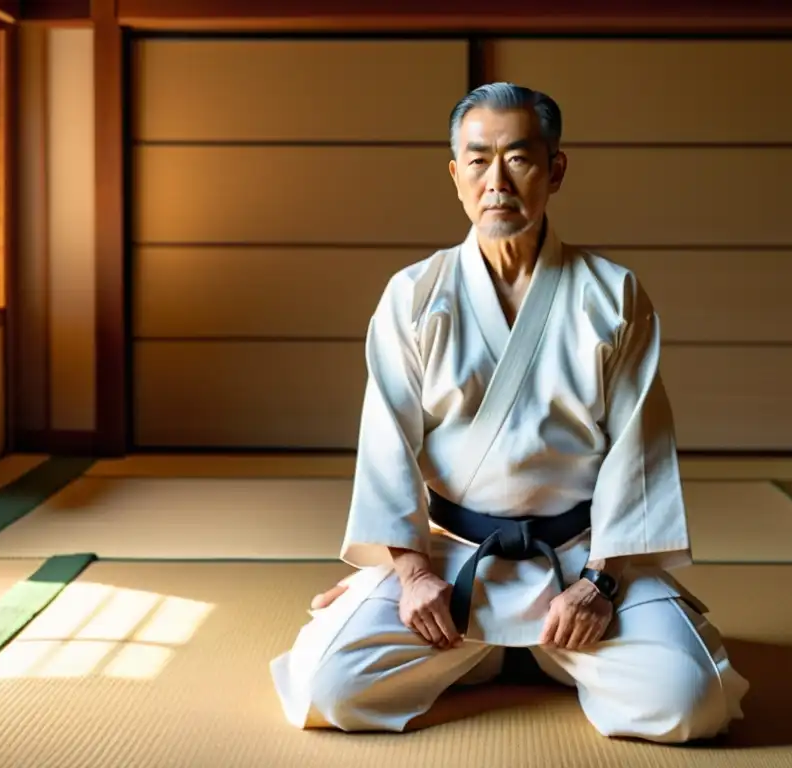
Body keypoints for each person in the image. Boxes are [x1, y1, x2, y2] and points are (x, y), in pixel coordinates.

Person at [270, 82, 749, 743]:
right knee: (330, 687)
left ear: (555, 169)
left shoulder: (611, 295)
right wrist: (408, 573)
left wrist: (602, 585)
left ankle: (518, 650)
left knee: (692, 700)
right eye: (477, 159)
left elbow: (638, 450)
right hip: (451, 561)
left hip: (581, 559)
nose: (497, 180)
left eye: (519, 158)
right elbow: (386, 448)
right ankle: (494, 647)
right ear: (455, 174)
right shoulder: (414, 295)